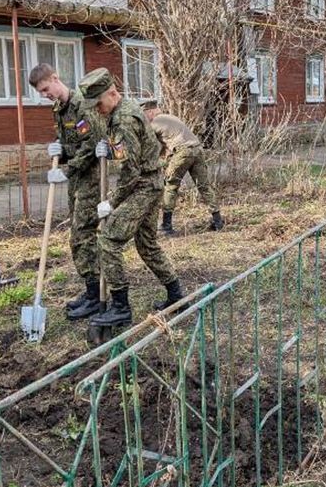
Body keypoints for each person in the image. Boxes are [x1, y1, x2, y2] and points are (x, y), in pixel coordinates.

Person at [77, 68, 184, 326]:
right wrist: (110, 152)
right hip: (150, 181)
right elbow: (133, 151)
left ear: (112, 94)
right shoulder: (120, 111)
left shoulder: (124, 118)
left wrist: (111, 203)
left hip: (144, 185)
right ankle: (176, 295)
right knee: (146, 244)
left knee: (109, 239)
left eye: (98, 103)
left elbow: (131, 169)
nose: (97, 109)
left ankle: (121, 306)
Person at [29, 63, 105, 320]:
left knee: (82, 235)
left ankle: (96, 295)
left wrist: (67, 169)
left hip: (90, 177)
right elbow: (69, 142)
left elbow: (90, 144)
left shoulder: (81, 104)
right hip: (76, 179)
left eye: (45, 89)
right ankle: (91, 287)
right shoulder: (59, 109)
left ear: (55, 78)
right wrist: (58, 151)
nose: (44, 94)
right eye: (40, 92)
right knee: (79, 233)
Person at [141, 99, 223, 235]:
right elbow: (165, 146)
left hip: (183, 152)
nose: (143, 118)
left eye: (143, 114)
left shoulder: (155, 123)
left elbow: (149, 145)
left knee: (170, 186)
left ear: (149, 112)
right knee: (204, 186)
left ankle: (166, 226)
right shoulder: (170, 117)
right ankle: (218, 221)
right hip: (197, 149)